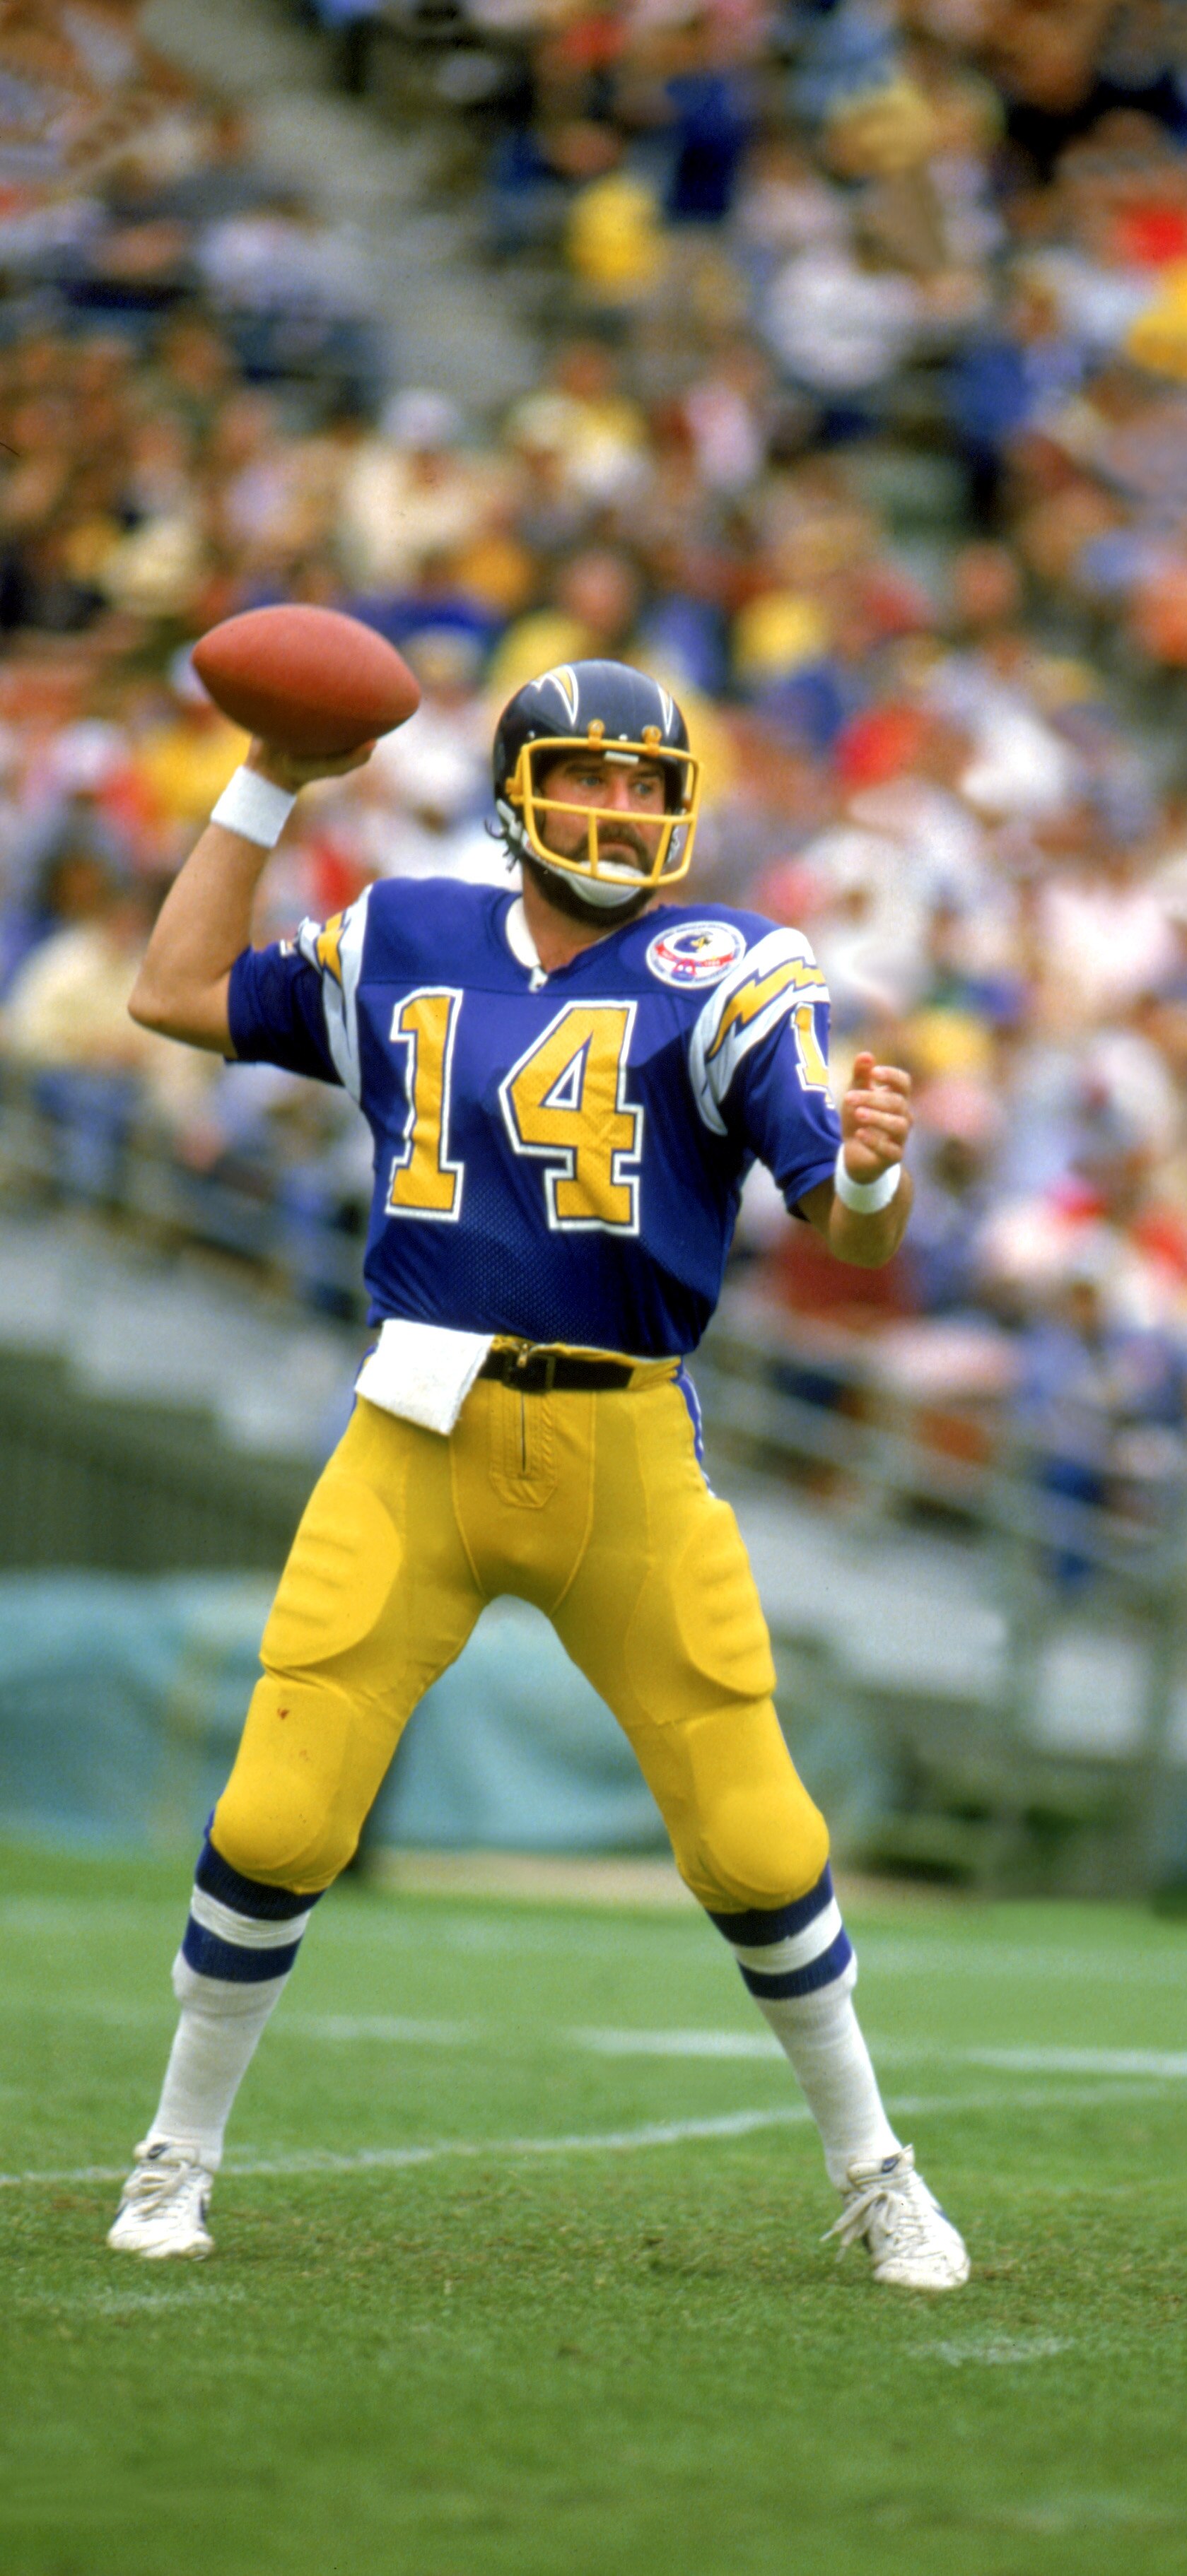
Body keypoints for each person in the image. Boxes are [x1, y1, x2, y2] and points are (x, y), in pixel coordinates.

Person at [107, 657, 968, 2292]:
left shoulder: (728, 964)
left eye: (653, 785)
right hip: (416, 1428)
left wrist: (873, 1174)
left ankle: (878, 2168)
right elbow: (172, 990)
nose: (625, 809)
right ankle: (177, 2151)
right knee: (281, 1806)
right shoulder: (409, 930)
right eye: (594, 776)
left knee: (756, 1833)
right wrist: (267, 781)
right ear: (518, 792)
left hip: (624, 1436)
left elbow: (835, 1207)